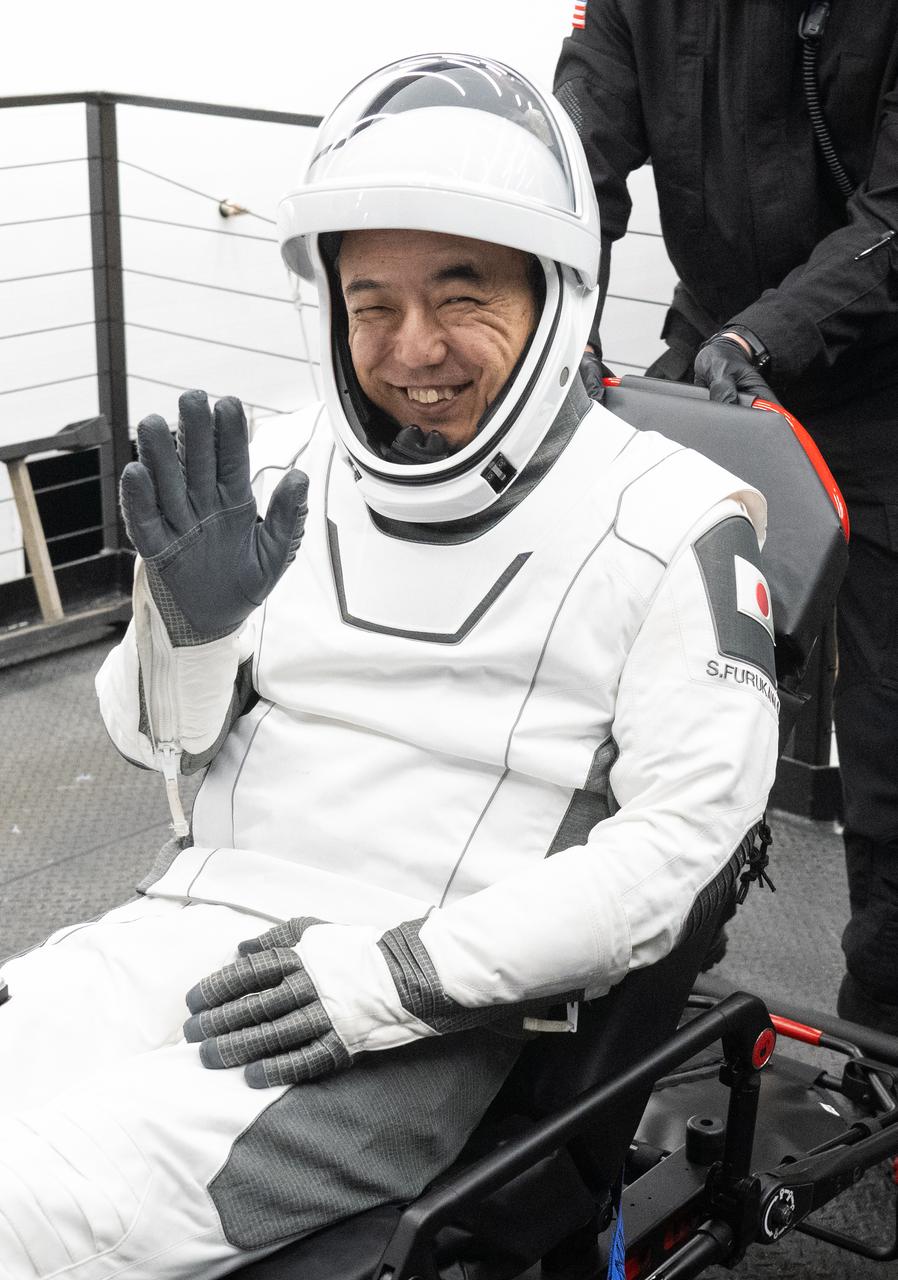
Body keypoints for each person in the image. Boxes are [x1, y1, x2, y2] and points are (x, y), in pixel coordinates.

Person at [0, 54, 779, 1278]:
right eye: (371, 304)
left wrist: (395, 974)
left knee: (23, 1211)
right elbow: (158, 742)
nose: (413, 347)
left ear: (557, 294)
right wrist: (183, 631)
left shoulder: (676, 518)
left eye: (461, 295)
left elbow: (680, 845)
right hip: (177, 927)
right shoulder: (274, 459)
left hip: (410, 1012)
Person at [555, 0, 898, 1031]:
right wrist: (550, 316)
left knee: (888, 759)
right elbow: (576, 156)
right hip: (718, 362)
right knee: (594, 682)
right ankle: (613, 987)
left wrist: (767, 337)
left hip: (875, 382)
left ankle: (881, 1038)